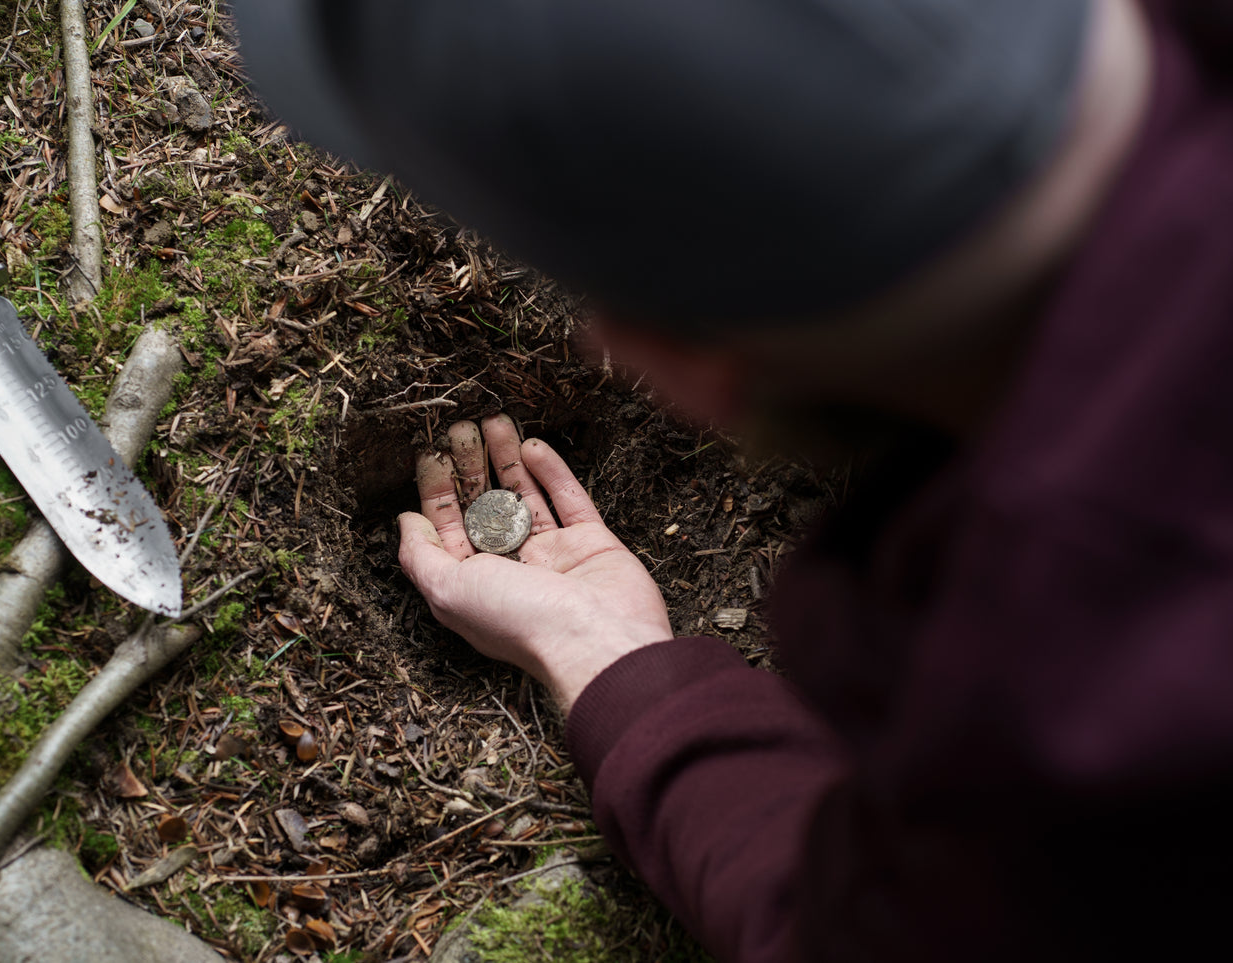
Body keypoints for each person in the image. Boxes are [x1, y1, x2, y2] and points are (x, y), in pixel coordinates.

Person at [233, 0, 1233, 958]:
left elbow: (872, 932)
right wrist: (607, 649)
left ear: (670, 364)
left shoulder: (1057, 745)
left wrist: (610, 673)